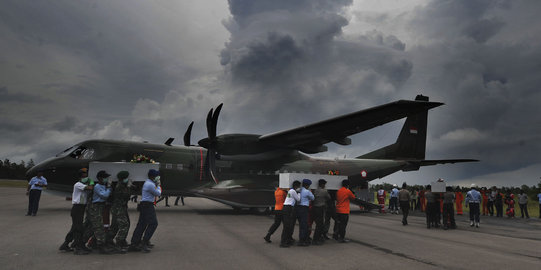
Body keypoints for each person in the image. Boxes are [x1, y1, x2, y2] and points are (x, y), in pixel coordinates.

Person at [59, 169, 94, 255]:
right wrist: (92, 182)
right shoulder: (78, 184)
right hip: (77, 208)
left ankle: (65, 244)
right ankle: (78, 248)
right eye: (84, 176)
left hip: (81, 208)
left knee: (75, 227)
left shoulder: (83, 184)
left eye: (86, 175)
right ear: (80, 177)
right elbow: (90, 187)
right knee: (79, 228)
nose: (86, 177)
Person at [129, 169, 162, 252]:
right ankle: (144, 242)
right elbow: (158, 193)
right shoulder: (150, 184)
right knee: (153, 223)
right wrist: (158, 185)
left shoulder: (149, 183)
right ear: (152, 176)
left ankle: (135, 243)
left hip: (145, 205)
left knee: (142, 224)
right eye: (156, 176)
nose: (157, 177)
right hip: (147, 205)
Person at [106, 171, 132, 253]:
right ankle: (119, 243)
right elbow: (126, 195)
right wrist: (129, 187)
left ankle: (109, 241)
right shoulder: (120, 186)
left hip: (120, 208)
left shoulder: (122, 184)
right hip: (118, 208)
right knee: (124, 225)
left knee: (115, 226)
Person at [88, 170, 114, 254]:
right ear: (99, 178)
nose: (106, 179)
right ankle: (101, 246)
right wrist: (109, 188)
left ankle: (93, 244)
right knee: (99, 227)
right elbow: (104, 195)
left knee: (97, 226)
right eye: (105, 177)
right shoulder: (97, 186)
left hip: (101, 207)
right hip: (96, 207)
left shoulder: (103, 186)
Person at [280, 180, 300, 248]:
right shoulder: (293, 191)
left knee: (287, 226)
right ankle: (283, 242)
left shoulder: (290, 190)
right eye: (299, 186)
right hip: (288, 208)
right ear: (296, 186)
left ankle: (286, 240)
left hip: (286, 208)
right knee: (287, 226)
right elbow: (298, 199)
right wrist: (299, 193)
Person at [311, 179, 331, 245]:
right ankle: (316, 239)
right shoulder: (324, 191)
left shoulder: (314, 190)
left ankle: (318, 238)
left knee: (318, 224)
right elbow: (329, 198)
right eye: (324, 184)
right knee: (320, 225)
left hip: (314, 208)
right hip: (320, 208)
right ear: (322, 184)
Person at [296, 179, 314, 246]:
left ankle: (302, 239)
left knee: (301, 225)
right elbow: (313, 198)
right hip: (304, 209)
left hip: (298, 208)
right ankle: (302, 241)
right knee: (304, 225)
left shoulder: (298, 190)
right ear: (307, 185)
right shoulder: (307, 191)